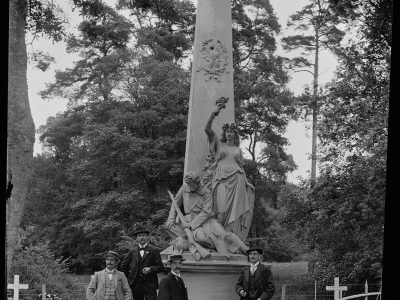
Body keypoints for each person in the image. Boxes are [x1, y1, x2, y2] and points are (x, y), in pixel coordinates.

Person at [165, 171, 248, 259]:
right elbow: (175, 204)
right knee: (201, 238)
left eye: (192, 186)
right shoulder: (184, 188)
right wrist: (171, 219)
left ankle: (244, 249)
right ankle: (229, 249)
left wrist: (191, 225)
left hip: (205, 220)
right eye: (189, 186)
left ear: (198, 183)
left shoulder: (207, 192)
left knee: (222, 233)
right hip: (188, 220)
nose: (190, 188)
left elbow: (206, 212)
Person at [204, 106, 255, 241]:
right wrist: (213, 114)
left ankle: (231, 238)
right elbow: (207, 130)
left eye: (232, 131)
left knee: (235, 211)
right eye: (227, 131)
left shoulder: (238, 149)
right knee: (221, 208)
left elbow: (241, 167)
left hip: (237, 179)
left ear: (235, 134)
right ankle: (219, 237)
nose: (229, 133)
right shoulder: (218, 144)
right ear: (224, 133)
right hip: (221, 179)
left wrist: (247, 182)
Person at [121, 227, 163, 300]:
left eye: (143, 235)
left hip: (150, 284)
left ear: (147, 237)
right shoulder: (132, 251)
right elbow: (124, 266)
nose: (141, 237)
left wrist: (150, 269)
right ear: (137, 238)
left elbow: (160, 267)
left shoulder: (154, 250)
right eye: (139, 236)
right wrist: (129, 278)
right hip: (135, 284)